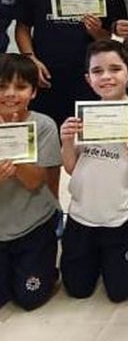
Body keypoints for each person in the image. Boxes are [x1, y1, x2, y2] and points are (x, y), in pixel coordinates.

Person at [15, 0, 111, 197]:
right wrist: (30, 58)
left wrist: (96, 31)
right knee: (49, 151)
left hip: (86, 84)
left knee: (89, 149)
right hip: (46, 81)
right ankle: (53, 206)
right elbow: (23, 27)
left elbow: (107, 39)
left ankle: (90, 202)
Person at [59, 40, 128, 302]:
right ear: (88, 79)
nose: (106, 76)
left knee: (120, 293)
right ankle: (100, 259)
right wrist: (66, 141)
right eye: (97, 71)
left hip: (123, 216)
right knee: (77, 289)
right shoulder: (83, 116)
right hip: (82, 214)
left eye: (115, 69)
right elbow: (71, 168)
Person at [0, 53, 61, 311]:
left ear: (34, 92)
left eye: (21, 87)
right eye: (2, 86)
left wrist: (12, 150)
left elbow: (36, 181)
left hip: (33, 225)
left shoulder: (43, 125)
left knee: (29, 298)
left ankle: (47, 267)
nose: (10, 94)